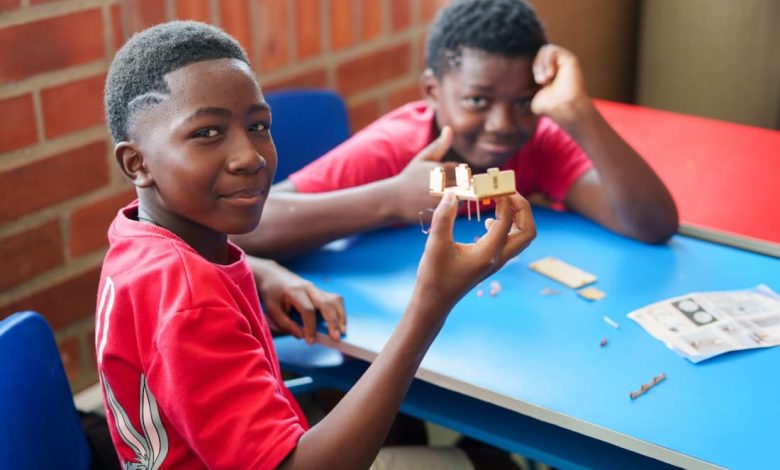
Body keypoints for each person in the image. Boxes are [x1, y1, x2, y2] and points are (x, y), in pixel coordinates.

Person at [95, 20, 535, 469]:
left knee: (406, 426)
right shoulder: (189, 302)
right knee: (495, 463)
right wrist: (431, 303)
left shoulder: (138, 241)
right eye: (207, 133)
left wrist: (259, 274)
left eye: (258, 125)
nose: (250, 156)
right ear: (137, 163)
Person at [232, 0, 678, 263]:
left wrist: (579, 113)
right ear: (432, 91)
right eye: (477, 101)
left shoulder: (537, 141)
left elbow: (652, 225)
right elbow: (245, 228)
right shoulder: (401, 147)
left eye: (523, 101)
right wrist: (392, 198)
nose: (503, 125)